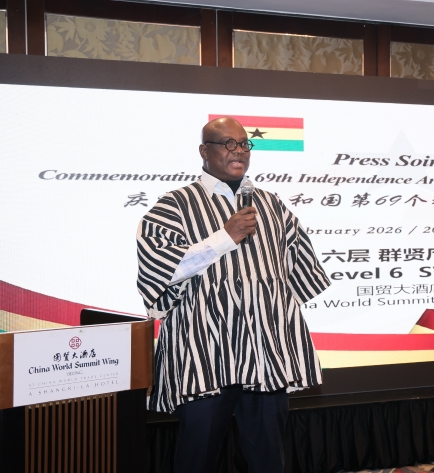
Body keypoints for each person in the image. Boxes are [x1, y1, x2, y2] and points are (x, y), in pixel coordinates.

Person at [136, 117, 330, 473]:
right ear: (204, 151)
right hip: (204, 351)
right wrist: (225, 237)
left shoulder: (271, 204)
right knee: (197, 455)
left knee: (268, 457)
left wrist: (270, 309)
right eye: (227, 143)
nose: (238, 151)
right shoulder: (175, 205)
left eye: (243, 144)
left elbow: (301, 267)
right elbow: (159, 268)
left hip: (264, 350)